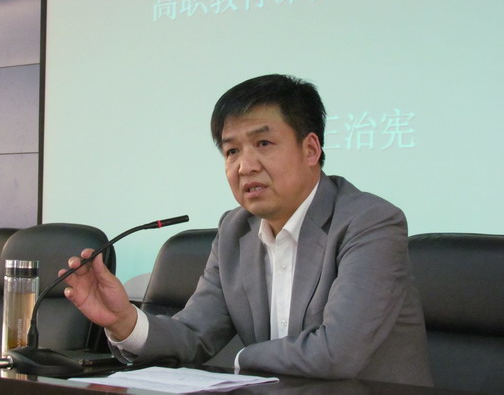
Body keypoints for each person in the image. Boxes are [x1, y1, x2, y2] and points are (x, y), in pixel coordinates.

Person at [60, 74, 433, 386]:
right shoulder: (234, 230)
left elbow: (338, 352)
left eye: (263, 143)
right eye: (231, 151)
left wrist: (241, 360)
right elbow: (194, 335)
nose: (245, 166)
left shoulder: (370, 222)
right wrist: (125, 321)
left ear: (310, 150)